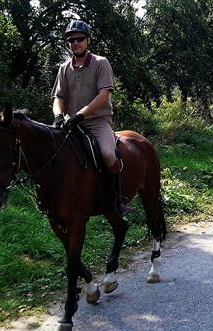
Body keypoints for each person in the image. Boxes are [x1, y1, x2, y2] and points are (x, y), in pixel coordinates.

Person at [51, 19, 132, 216]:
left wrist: (81, 114)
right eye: (71, 40)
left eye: (79, 39)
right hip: (70, 123)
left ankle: (116, 199)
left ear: (88, 40)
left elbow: (103, 95)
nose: (75, 43)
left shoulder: (101, 63)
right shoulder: (64, 68)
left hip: (96, 122)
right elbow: (58, 97)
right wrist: (58, 116)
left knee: (107, 154)